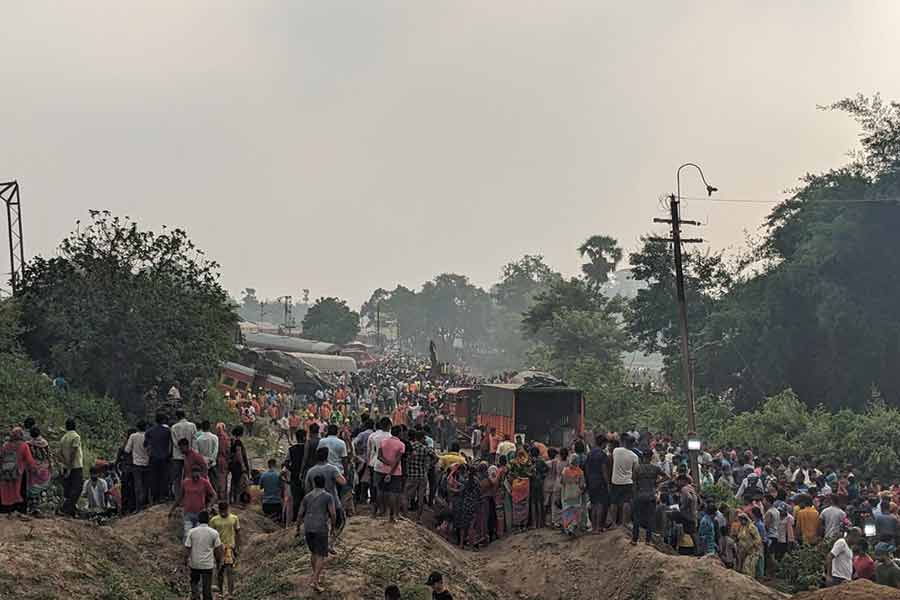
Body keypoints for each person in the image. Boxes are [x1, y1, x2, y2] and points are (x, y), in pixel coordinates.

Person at [296, 474, 336, 594]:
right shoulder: (328, 497)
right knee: (321, 555)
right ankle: (314, 580)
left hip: (308, 527)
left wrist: (298, 528)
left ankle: (316, 577)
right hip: (320, 528)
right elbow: (333, 514)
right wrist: (333, 527)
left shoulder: (307, 497)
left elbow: (300, 514)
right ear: (324, 483)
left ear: (314, 483)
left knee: (313, 552)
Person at [170, 465, 217, 540]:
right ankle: (186, 551)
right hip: (188, 513)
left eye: (197, 474)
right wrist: (172, 509)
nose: (195, 476)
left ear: (200, 473)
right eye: (194, 474)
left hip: (200, 513)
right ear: (190, 473)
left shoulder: (205, 482)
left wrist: (209, 506)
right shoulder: (185, 482)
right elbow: (180, 497)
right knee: (187, 535)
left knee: (198, 536)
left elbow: (214, 495)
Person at [184, 510, 223, 600]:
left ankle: (195, 595)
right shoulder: (214, 533)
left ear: (198, 520)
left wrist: (185, 560)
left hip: (195, 563)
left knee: (194, 582)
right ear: (208, 520)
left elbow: (187, 548)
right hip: (207, 565)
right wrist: (219, 562)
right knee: (207, 588)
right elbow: (218, 550)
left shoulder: (192, 532)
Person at [631, 447, 664, 544]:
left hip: (640, 495)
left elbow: (634, 482)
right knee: (650, 518)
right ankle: (648, 541)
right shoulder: (655, 468)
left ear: (643, 457)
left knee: (637, 518)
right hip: (651, 495)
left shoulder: (638, 468)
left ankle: (634, 539)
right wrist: (656, 482)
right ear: (651, 457)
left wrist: (634, 494)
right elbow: (667, 476)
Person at [1, 427, 36, 515]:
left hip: (5, 471)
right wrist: (34, 468)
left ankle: (6, 509)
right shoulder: (24, 445)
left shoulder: (5, 445)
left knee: (7, 490)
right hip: (19, 472)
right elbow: (29, 460)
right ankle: (20, 509)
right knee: (19, 490)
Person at [209, 501, 241, 596]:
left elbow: (238, 532)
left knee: (230, 570)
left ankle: (230, 593)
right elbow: (211, 535)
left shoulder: (234, 518)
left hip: (229, 548)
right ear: (219, 510)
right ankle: (220, 592)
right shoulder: (214, 520)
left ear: (228, 509)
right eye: (221, 510)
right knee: (220, 570)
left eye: (225, 510)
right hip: (218, 548)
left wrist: (237, 547)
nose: (223, 512)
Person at [375, 425, 406, 523]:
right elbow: (397, 461)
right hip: (395, 472)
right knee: (394, 493)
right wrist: (391, 471)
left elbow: (379, 456)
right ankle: (392, 515)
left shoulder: (383, 441)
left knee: (381, 491)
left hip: (381, 470)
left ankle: (380, 511)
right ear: (400, 433)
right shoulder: (401, 444)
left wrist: (387, 463)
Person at [406, 429, 438, 522]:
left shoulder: (410, 447)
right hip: (422, 475)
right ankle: (418, 519)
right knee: (420, 497)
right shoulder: (425, 448)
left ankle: (405, 516)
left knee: (407, 495)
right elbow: (436, 458)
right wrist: (429, 466)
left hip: (411, 475)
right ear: (422, 438)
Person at [610, 436, 638, 527]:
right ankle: (624, 522)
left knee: (614, 502)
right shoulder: (634, 456)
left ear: (625, 442)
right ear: (633, 444)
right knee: (626, 502)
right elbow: (635, 472)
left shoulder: (616, 451)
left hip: (615, 481)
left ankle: (613, 522)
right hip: (628, 482)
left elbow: (611, 460)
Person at [145, 413, 173, 504]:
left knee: (154, 478)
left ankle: (155, 497)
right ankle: (163, 496)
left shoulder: (149, 431)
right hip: (165, 457)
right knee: (164, 477)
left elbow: (146, 444)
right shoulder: (168, 431)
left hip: (153, 457)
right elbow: (171, 444)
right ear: (163, 420)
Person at [583, 435, 609, 534]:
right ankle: (598, 527)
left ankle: (593, 528)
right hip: (600, 482)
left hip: (591, 482)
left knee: (593, 505)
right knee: (600, 505)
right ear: (603, 443)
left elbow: (586, 468)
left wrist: (588, 481)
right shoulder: (602, 455)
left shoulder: (590, 454)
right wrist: (607, 483)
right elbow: (604, 470)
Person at [59, 418, 84, 516]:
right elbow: (74, 452)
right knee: (77, 488)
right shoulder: (76, 436)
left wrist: (65, 463)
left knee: (69, 490)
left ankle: (71, 511)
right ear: (75, 426)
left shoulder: (63, 438)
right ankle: (65, 509)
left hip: (66, 466)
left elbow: (59, 453)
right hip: (75, 466)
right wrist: (70, 466)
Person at [171, 410, 198, 500]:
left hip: (177, 456)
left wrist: (182, 450)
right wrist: (190, 451)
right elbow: (194, 440)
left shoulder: (174, 427)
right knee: (189, 476)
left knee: (177, 478)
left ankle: (178, 497)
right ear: (185, 415)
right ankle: (189, 495)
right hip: (189, 455)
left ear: (177, 417)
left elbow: (175, 442)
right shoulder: (192, 426)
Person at [25, 426, 52, 513]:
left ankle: (33, 505)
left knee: (32, 488)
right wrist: (50, 466)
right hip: (44, 469)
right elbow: (49, 456)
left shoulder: (28, 444)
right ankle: (40, 506)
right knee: (42, 488)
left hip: (34, 469)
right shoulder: (45, 443)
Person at [125, 421, 150, 512]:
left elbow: (127, 450)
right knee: (145, 486)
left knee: (137, 486)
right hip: (147, 463)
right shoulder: (148, 435)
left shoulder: (133, 436)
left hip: (136, 464)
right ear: (146, 427)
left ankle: (138, 507)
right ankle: (145, 505)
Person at [559, 453, 586, 537]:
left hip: (566, 493)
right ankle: (573, 526)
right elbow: (582, 485)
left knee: (567, 510)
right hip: (576, 494)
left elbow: (561, 481)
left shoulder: (565, 470)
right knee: (575, 510)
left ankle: (567, 528)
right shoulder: (580, 472)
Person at [288, 429, 307, 521]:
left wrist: (292, 470)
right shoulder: (309, 449)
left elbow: (286, 463)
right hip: (306, 477)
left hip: (294, 477)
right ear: (304, 437)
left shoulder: (291, 449)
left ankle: (295, 519)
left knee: (296, 499)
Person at [736, 511, 763, 577]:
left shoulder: (751, 527)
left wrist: (751, 545)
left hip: (753, 551)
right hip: (744, 551)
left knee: (748, 567)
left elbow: (758, 539)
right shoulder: (742, 527)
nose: (741, 522)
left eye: (742, 520)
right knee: (743, 568)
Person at [195, 421, 219, 493]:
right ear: (210, 427)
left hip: (202, 464)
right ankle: (214, 496)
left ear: (202, 428)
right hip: (212, 463)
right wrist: (211, 460)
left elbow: (197, 453)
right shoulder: (215, 437)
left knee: (203, 481)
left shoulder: (198, 439)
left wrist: (203, 460)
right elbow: (215, 451)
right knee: (214, 481)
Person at [228, 426, 250, 505]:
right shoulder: (238, 442)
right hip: (238, 465)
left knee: (234, 481)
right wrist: (243, 466)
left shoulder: (232, 441)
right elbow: (239, 454)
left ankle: (231, 499)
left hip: (233, 465)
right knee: (239, 483)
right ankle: (236, 500)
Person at [259, 458, 284, 522]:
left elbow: (261, 487)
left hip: (266, 504)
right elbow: (282, 487)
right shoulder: (278, 475)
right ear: (275, 465)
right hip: (277, 504)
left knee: (268, 524)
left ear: (268, 465)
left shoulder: (263, 475)